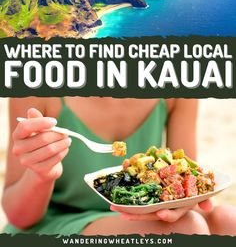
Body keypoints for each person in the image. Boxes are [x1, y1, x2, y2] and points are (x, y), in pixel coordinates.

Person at [1, 97, 236, 236]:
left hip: (144, 215)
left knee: (228, 220)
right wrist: (41, 174)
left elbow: (182, 182)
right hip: (54, 222)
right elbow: (20, 218)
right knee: (189, 229)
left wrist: (184, 200)